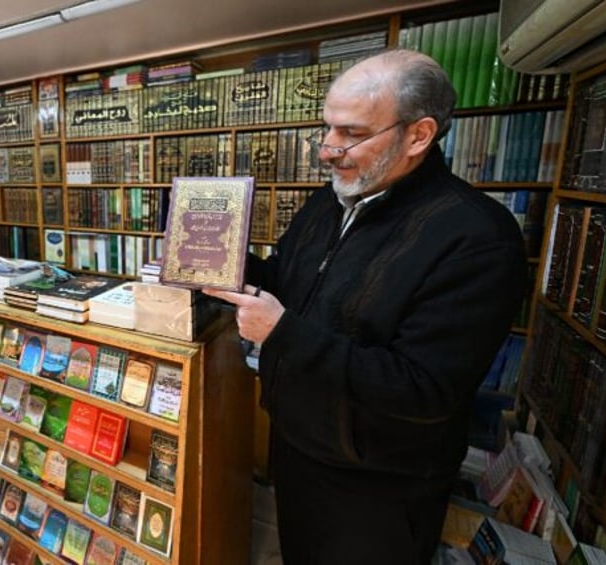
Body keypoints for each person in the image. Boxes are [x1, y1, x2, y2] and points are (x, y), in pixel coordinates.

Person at [203, 49, 527, 564]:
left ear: (418, 136)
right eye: (327, 129)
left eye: (351, 134)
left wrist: (282, 332)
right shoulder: (326, 203)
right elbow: (285, 282)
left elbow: (425, 389)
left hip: (378, 485)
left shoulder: (477, 237)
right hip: (297, 446)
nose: (329, 150)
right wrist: (217, 263)